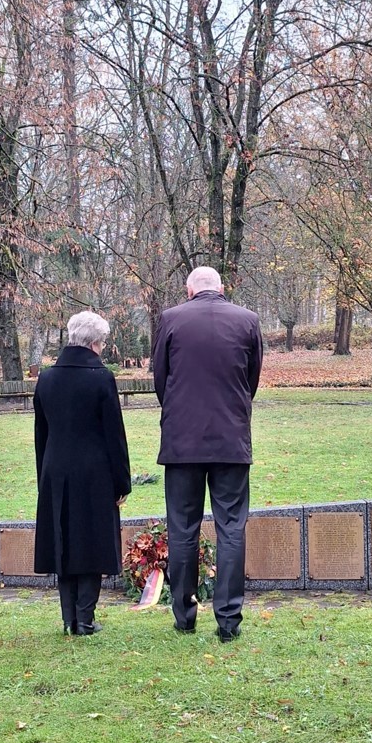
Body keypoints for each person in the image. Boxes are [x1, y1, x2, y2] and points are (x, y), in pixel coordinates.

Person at [152, 266, 263, 642]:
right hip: (230, 440)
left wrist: (180, 415)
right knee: (231, 527)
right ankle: (228, 619)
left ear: (189, 290)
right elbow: (252, 380)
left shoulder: (170, 319)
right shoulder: (247, 321)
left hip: (183, 442)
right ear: (220, 289)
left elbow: (160, 378)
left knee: (182, 528)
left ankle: (184, 615)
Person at [33, 311, 131, 636]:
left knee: (64, 542)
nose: (102, 348)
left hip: (55, 470)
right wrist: (122, 482)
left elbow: (41, 435)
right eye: (102, 342)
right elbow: (114, 436)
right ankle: (85, 619)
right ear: (93, 343)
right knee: (91, 542)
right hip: (95, 473)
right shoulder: (102, 378)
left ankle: (68, 619)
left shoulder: (46, 379)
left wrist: (42, 478)